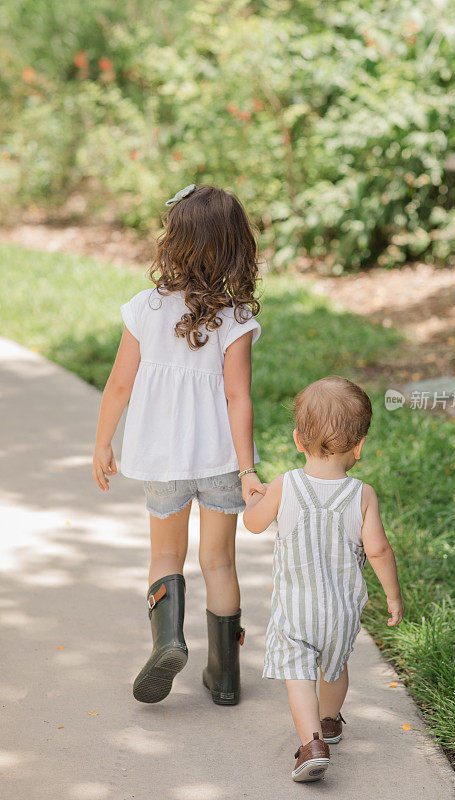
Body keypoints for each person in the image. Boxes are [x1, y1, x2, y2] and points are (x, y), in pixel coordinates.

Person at [92, 183, 264, 707]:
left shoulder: (145, 309)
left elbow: (119, 385)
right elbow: (239, 398)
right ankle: (225, 676)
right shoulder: (234, 318)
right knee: (219, 562)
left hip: (162, 459)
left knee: (166, 552)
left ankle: (167, 640)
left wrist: (103, 443)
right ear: (236, 247)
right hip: (218, 461)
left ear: (174, 242)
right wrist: (247, 468)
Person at [243, 376, 404, 782]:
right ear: (359, 446)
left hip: (296, 610)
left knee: (298, 673)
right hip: (342, 611)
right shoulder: (362, 495)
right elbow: (379, 551)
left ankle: (311, 743)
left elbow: (254, 524)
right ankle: (330, 721)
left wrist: (255, 499)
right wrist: (393, 596)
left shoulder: (285, 484)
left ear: (298, 440)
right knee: (334, 667)